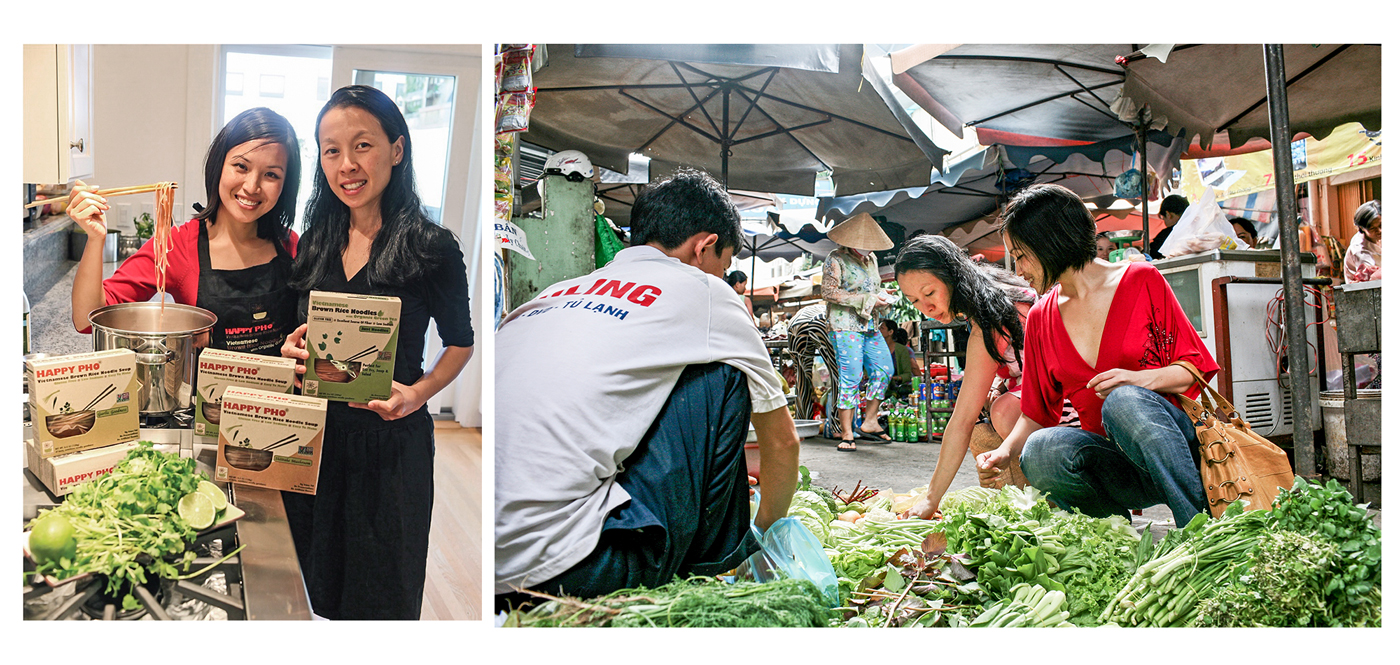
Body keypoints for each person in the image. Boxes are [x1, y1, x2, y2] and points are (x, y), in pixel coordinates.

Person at [493, 168, 800, 607]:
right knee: (725, 373)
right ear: (704, 247)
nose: (722, 275)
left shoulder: (554, 293)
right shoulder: (708, 294)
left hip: (489, 559)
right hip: (571, 567)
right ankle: (714, 564)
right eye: (725, 265)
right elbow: (783, 441)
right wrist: (766, 538)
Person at [280, 85, 475, 620]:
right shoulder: (316, 238)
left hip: (391, 445)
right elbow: (302, 332)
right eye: (331, 150)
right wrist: (294, 345)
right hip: (314, 440)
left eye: (362, 145)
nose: (347, 164)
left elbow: (461, 342)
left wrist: (417, 394)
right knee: (309, 588)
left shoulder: (431, 246)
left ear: (397, 149)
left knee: (379, 593)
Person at [979, 183, 1219, 527]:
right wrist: (1005, 453)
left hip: (1179, 452)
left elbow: (1194, 367)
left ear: (1051, 242)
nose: (1019, 270)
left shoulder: (1142, 280)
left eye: (1020, 255)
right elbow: (1036, 413)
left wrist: (1137, 381)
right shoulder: (1041, 317)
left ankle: (1200, 531)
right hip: (1117, 467)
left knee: (1123, 401)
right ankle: (1112, 537)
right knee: (1041, 450)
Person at [67, 107, 302, 355]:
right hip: (204, 393)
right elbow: (87, 319)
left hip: (278, 393)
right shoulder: (177, 245)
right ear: (218, 164)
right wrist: (95, 239)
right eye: (241, 167)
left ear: (285, 185)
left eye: (271, 174)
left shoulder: (292, 246)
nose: (252, 186)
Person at [893, 235, 1039, 520]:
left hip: (1071, 406)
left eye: (930, 293)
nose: (926, 308)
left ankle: (1047, 502)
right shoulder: (993, 290)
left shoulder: (992, 317)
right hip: (1057, 396)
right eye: (915, 300)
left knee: (1004, 410)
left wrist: (931, 499)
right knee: (989, 412)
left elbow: (961, 420)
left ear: (952, 277)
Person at [822, 212, 899, 451]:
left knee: (885, 369)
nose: (868, 248)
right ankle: (847, 432)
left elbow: (873, 288)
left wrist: (881, 299)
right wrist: (867, 300)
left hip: (870, 325)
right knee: (851, 377)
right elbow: (829, 293)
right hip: (845, 326)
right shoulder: (835, 259)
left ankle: (870, 421)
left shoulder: (872, 260)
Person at [1344, 200, 1382, 284]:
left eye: (1381, 225)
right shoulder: (1359, 250)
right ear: (1361, 228)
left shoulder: (1379, 236)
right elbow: (1371, 278)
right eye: (1373, 228)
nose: (1380, 230)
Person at [1147, 194, 1190, 259]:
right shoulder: (1197, 227)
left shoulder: (1167, 234)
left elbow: (1151, 253)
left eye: (1162, 217)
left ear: (1168, 214)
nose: (1163, 220)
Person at [879, 318, 913, 398]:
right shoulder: (875, 349)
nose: (878, 331)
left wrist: (894, 378)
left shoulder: (901, 350)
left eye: (882, 328)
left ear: (890, 332)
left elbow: (907, 375)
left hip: (896, 386)